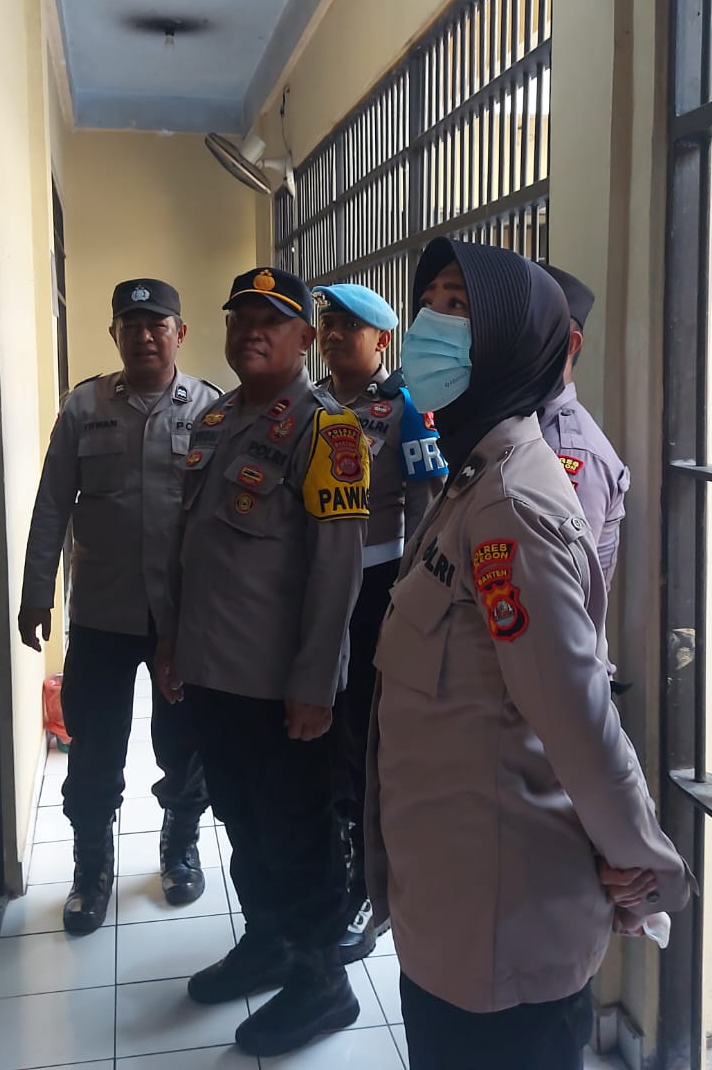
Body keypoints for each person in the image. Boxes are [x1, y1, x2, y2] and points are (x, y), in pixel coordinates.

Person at [366, 238, 695, 1070]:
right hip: (449, 901)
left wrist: (644, 867)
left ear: (516, 342)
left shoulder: (513, 503)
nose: (430, 325)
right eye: (428, 302)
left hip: (501, 927)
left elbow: (577, 715)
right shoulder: (472, 477)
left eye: (458, 307)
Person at [151, 266, 369, 1058]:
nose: (251, 332)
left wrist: (315, 685)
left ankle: (322, 983)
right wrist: (173, 643)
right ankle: (270, 943)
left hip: (281, 690)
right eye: (240, 317)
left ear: (304, 339)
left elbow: (336, 573)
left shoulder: (330, 432)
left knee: (296, 836)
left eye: (270, 321)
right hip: (215, 676)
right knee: (242, 824)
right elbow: (191, 548)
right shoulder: (216, 420)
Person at [18, 278, 219, 932]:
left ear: (179, 333)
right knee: (94, 746)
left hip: (180, 615)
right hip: (102, 614)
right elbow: (52, 504)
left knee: (183, 742)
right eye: (131, 325)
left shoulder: (210, 410)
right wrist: (36, 592)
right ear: (113, 334)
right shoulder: (85, 406)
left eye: (157, 324)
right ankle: (91, 868)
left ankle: (180, 846)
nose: (144, 336)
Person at [311, 281, 448, 962]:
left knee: (365, 734)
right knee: (319, 727)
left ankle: (371, 882)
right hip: (313, 589)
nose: (335, 335)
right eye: (328, 324)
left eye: (351, 326)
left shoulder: (405, 408)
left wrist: (407, 596)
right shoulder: (309, 405)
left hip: (376, 586)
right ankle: (330, 861)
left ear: (382, 340)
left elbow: (428, 507)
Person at [538, 263, 629, 590]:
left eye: (529, 328)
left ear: (570, 345)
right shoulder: (523, 423)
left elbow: (561, 589)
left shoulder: (571, 452)